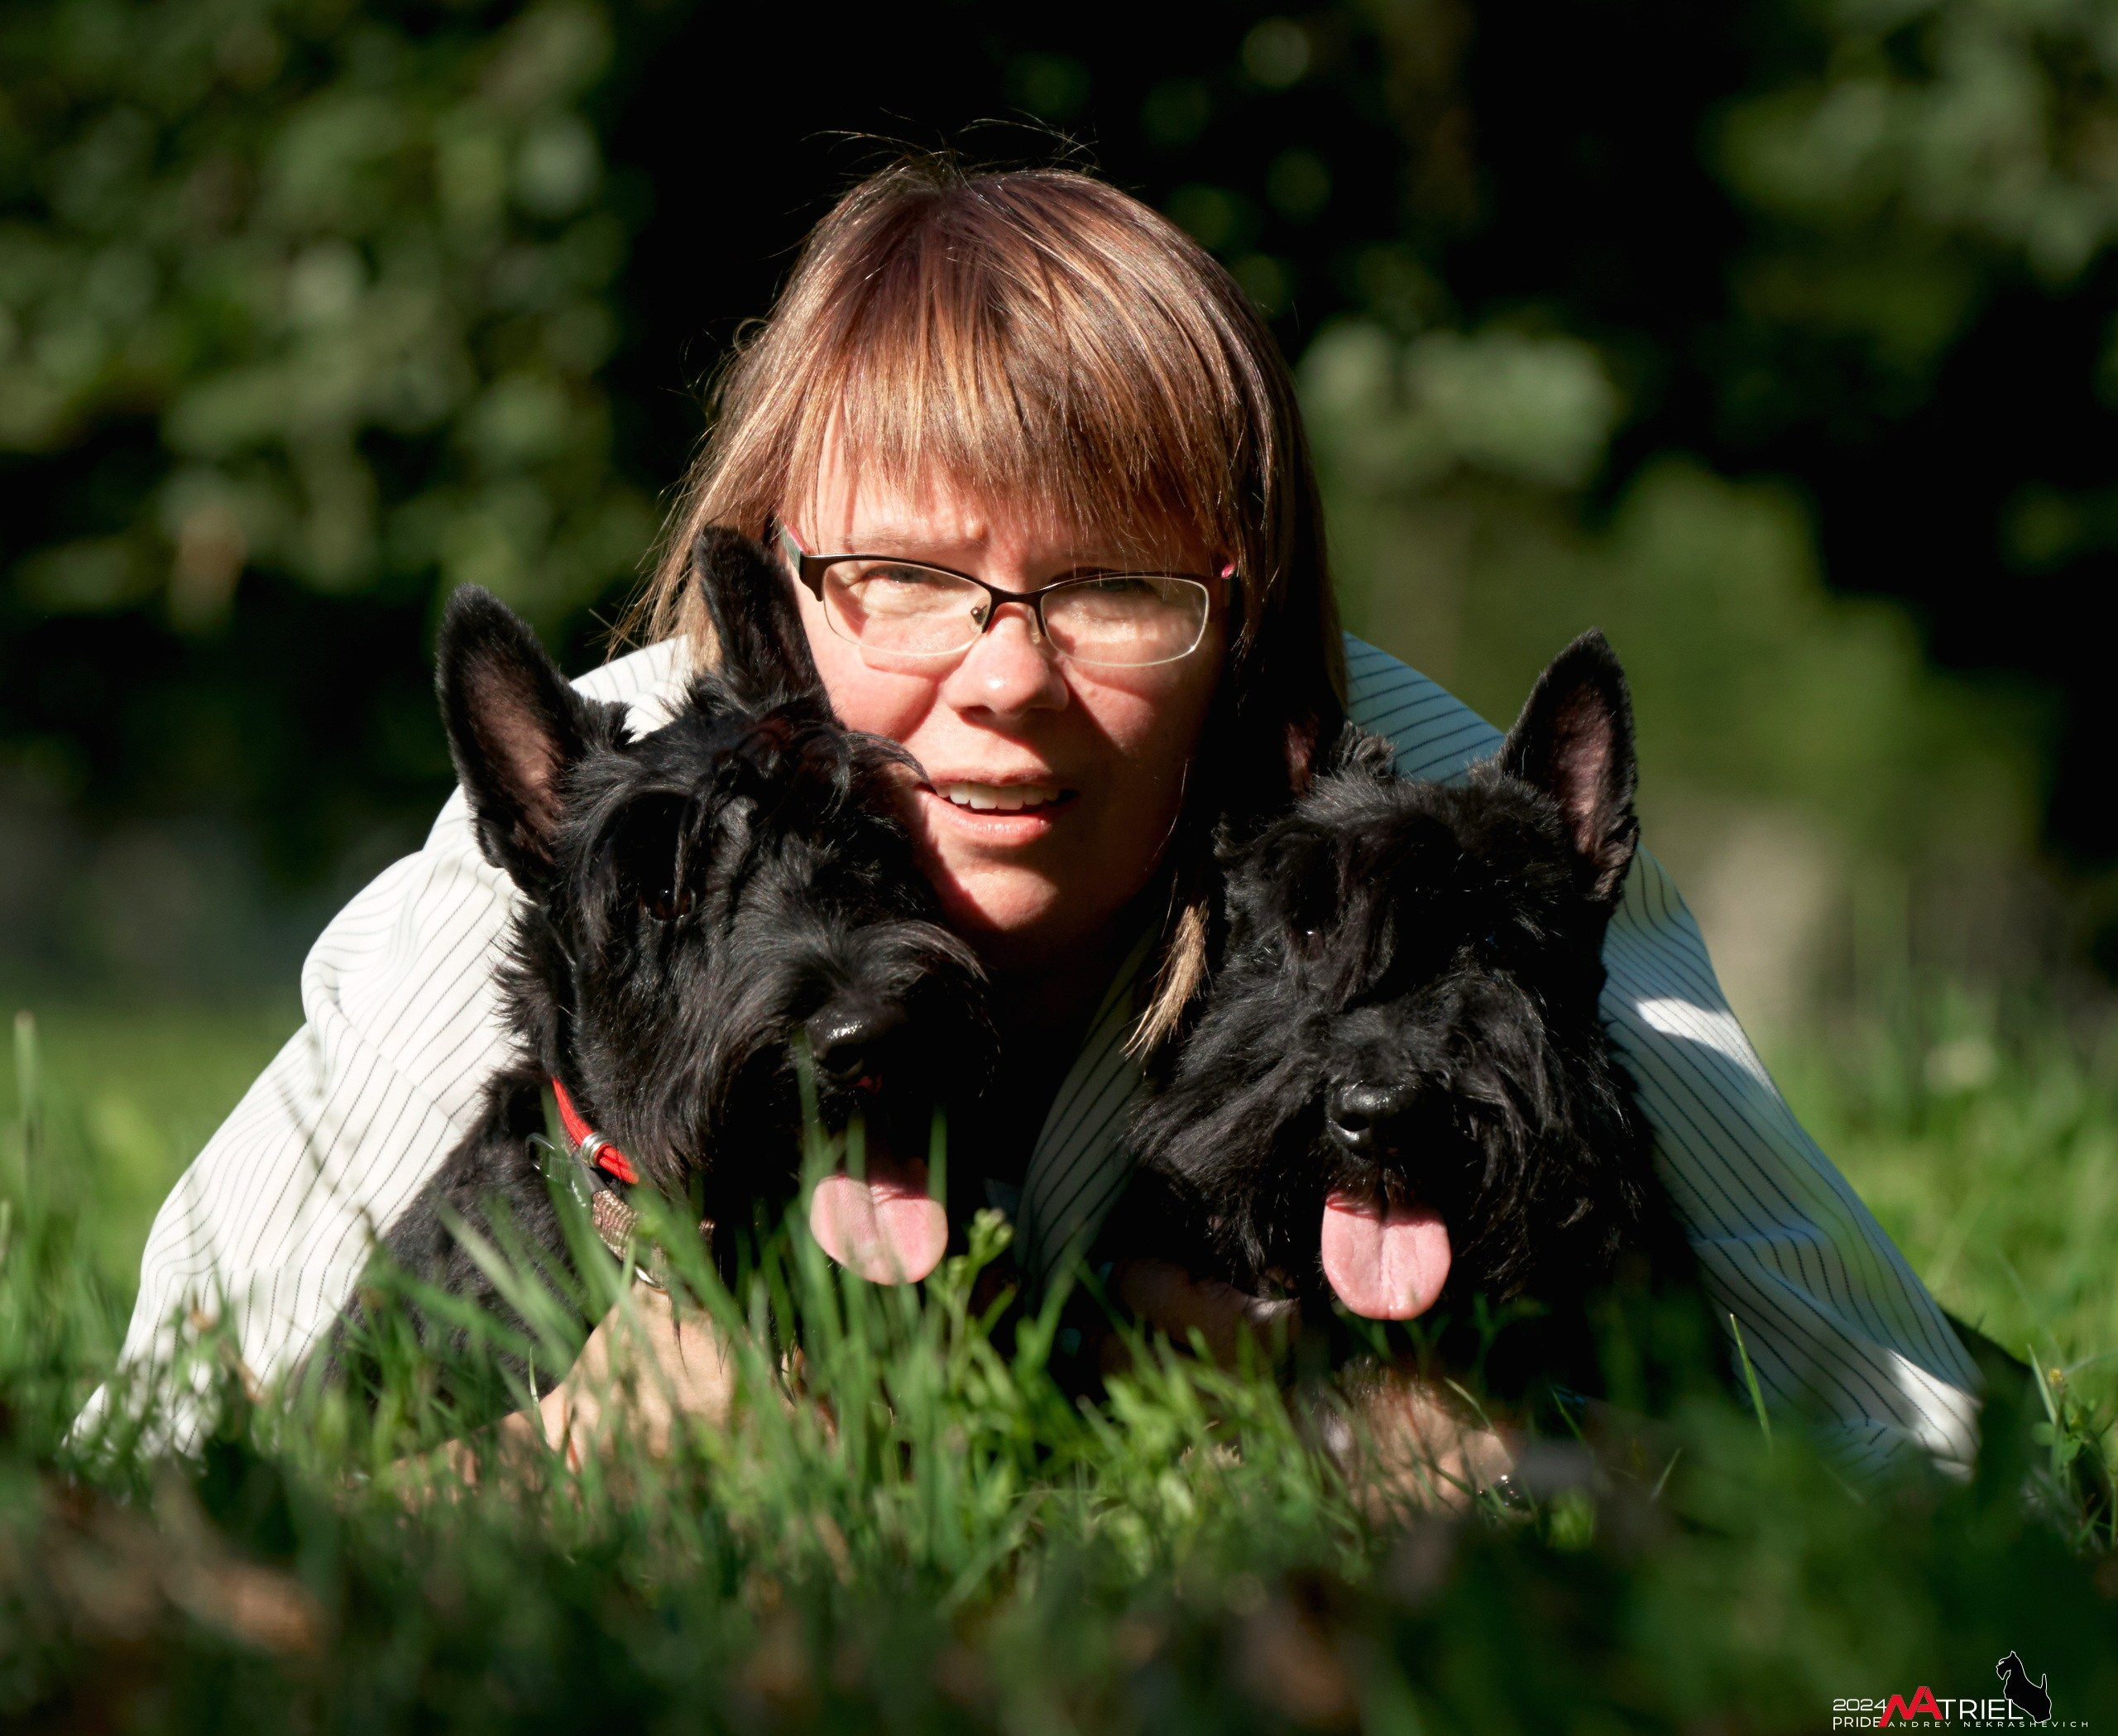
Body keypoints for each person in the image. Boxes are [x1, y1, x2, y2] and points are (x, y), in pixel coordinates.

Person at [85, 158, 1983, 1479]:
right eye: (902, 572)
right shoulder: (622, 817)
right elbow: (149, 1473)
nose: (1002, 678)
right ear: (776, 581)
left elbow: (1910, 1450)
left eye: (1110, 586)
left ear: (1239, 615)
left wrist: (1532, 1480)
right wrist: (548, 1454)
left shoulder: (1438, 815)